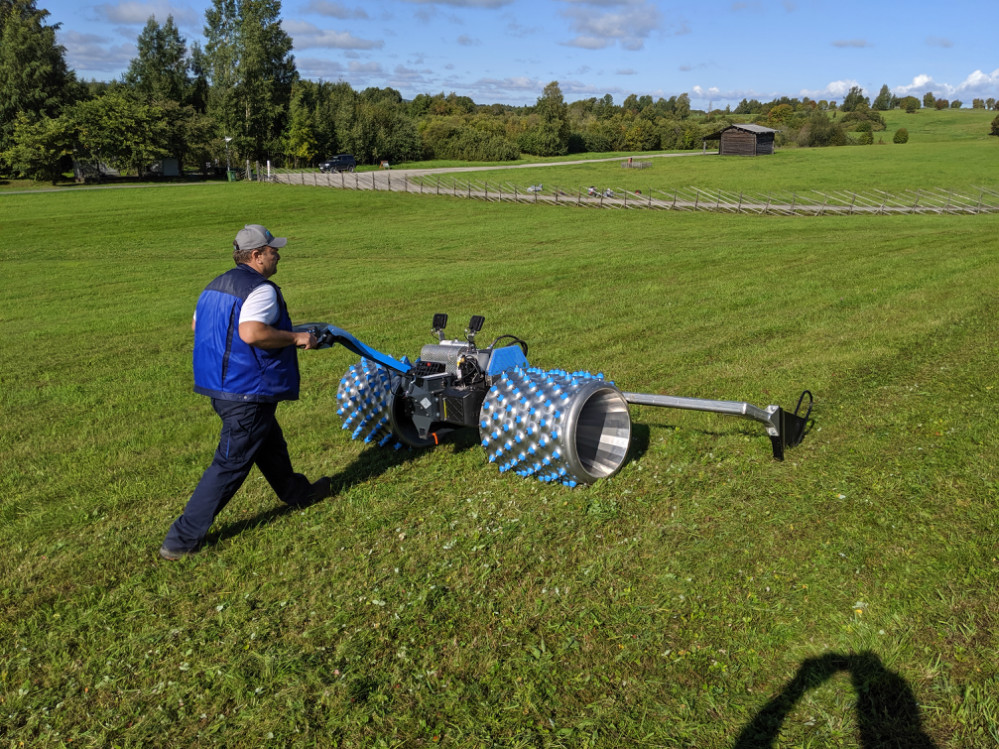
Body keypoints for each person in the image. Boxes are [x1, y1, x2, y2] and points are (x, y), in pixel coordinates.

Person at [160, 224, 331, 560]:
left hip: (220, 386)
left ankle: (299, 493)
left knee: (268, 441)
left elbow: (200, 325)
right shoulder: (261, 289)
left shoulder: (215, 285)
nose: (278, 254)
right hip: (246, 390)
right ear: (256, 256)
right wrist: (295, 337)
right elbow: (252, 332)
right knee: (229, 464)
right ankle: (180, 541)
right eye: (273, 250)